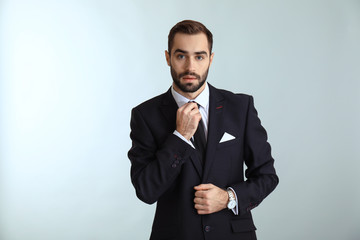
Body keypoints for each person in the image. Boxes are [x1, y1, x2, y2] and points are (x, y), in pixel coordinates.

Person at [128, 20, 279, 240]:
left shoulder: (240, 108)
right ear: (168, 58)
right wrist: (180, 137)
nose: (190, 67)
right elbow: (146, 190)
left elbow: (267, 175)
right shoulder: (145, 115)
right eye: (181, 56)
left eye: (199, 56)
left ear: (210, 58)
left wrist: (228, 198)